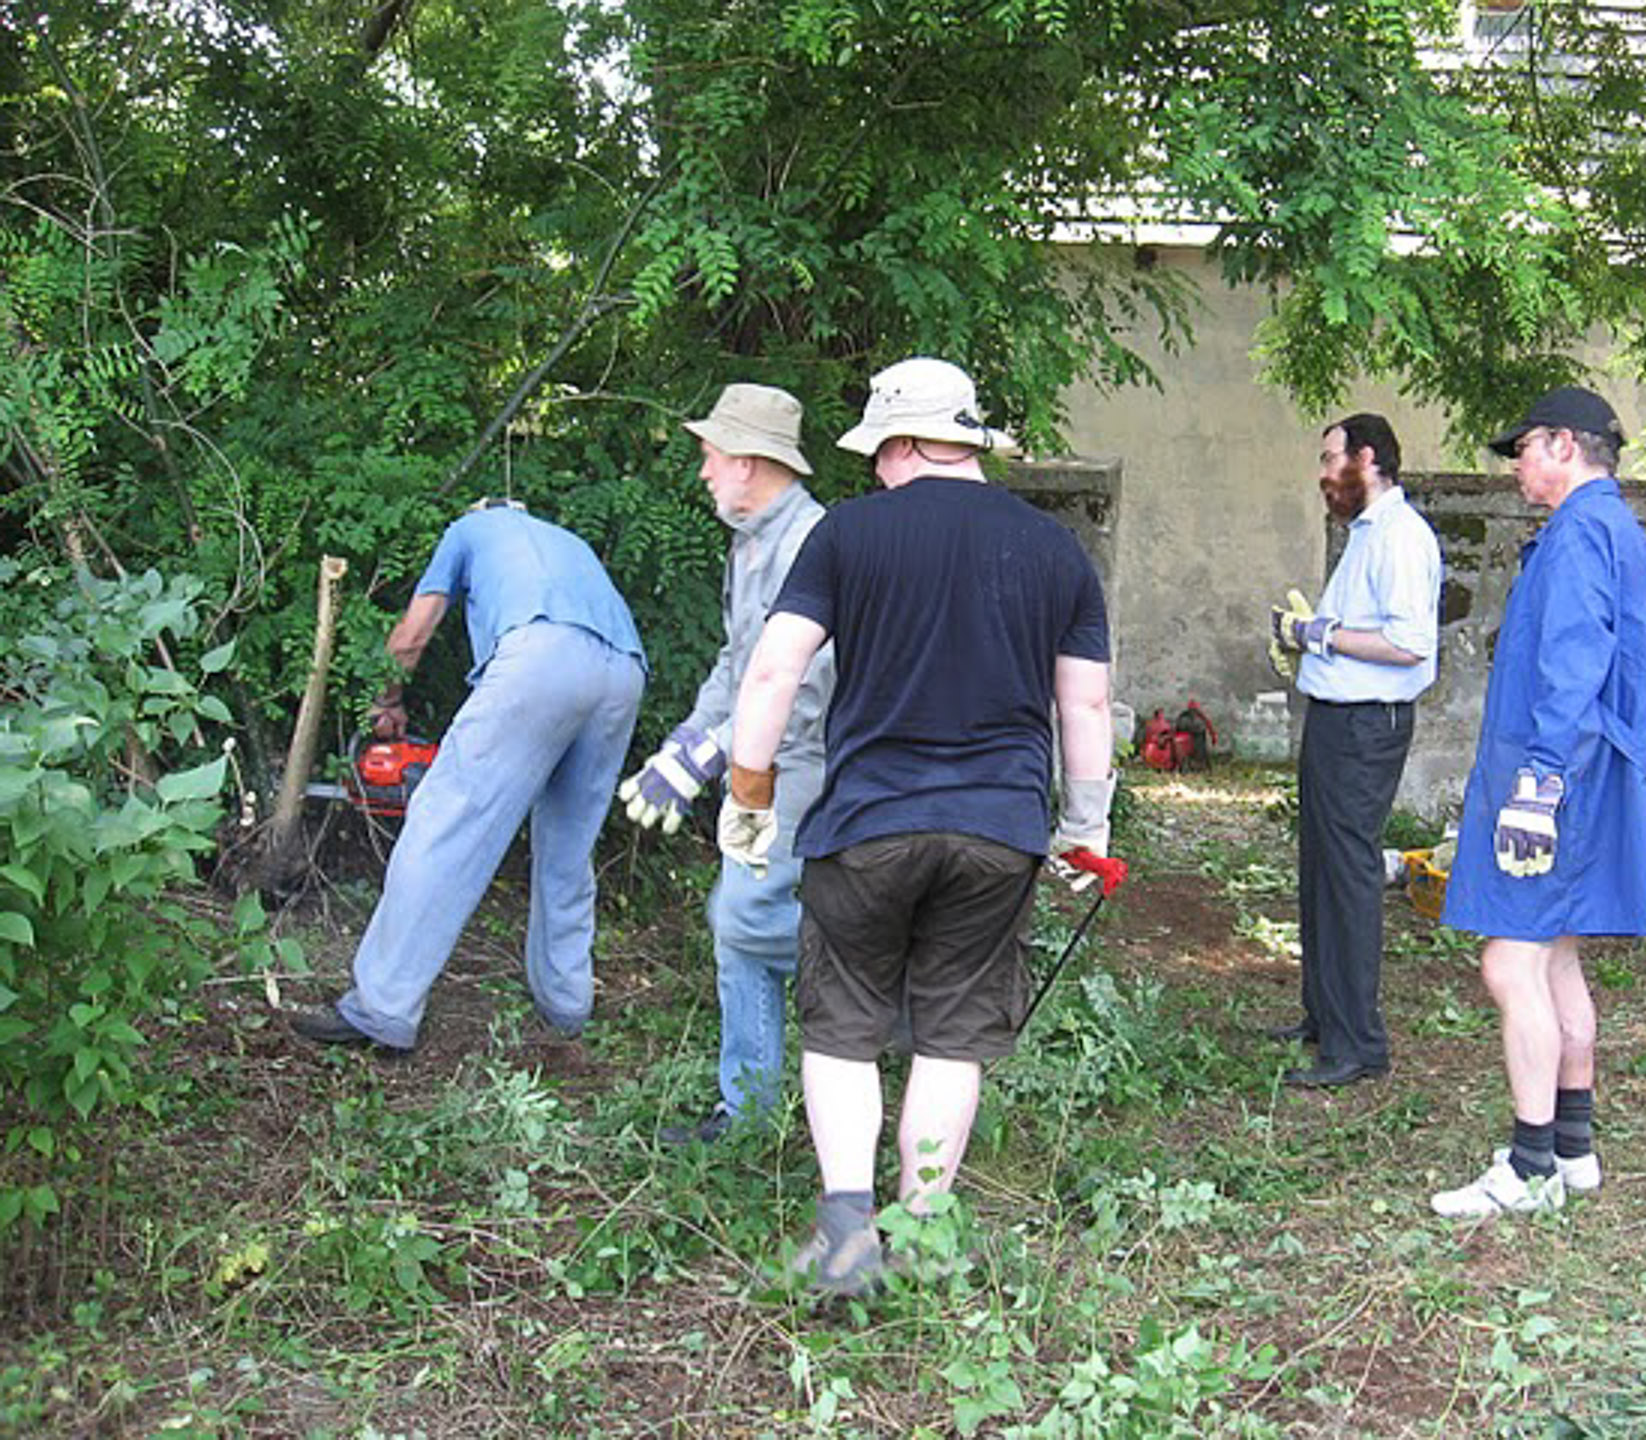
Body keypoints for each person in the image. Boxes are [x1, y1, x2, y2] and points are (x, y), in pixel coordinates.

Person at [718, 357, 1115, 1295]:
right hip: (997, 829)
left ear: (898, 443)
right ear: (967, 442)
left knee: (843, 1027)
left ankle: (849, 1238)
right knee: (952, 1035)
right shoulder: (1056, 550)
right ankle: (926, 1232)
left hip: (867, 823)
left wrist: (750, 796)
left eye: (877, 454)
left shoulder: (849, 533)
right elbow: (1087, 706)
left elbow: (774, 672)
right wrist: (1083, 829)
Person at [1431, 386, 1646, 1218]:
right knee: (1558, 955)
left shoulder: (1578, 535)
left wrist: (1536, 788)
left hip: (1557, 779)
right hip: (1591, 775)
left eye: (1524, 446)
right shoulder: (1620, 533)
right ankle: (1573, 1150)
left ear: (1566, 445)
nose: (1516, 465)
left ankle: (1529, 1167)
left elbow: (1571, 668)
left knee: (1511, 962)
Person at [291, 500, 647, 1051]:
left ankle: (381, 1009)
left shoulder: (467, 530)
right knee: (568, 846)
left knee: (446, 825)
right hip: (624, 670)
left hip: (541, 653)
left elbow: (411, 637)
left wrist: (385, 702)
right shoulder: (563, 538)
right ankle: (567, 1004)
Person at [618, 384, 833, 1144]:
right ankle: (747, 1115)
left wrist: (703, 760)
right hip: (756, 768)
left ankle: (885, 995)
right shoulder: (749, 543)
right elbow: (738, 664)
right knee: (735, 922)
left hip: (803, 767)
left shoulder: (812, 543)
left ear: (747, 461)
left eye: (711, 457)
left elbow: (802, 688)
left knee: (742, 918)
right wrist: (685, 745)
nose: (703, 471)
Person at [1267, 414, 1441, 1088]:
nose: (1321, 471)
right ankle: (1324, 1016)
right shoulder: (1369, 534)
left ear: (1365, 458)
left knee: (1348, 876)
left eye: (1329, 457)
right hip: (1339, 720)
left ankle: (1357, 1045)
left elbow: (1408, 645)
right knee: (1321, 867)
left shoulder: (1399, 537)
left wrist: (1316, 634)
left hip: (1367, 727)